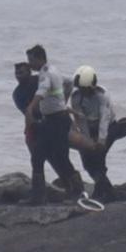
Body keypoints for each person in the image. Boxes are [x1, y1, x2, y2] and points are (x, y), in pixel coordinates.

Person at [23, 45, 84, 204]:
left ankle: (75, 192)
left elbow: (42, 90)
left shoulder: (46, 74)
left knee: (49, 156)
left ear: (40, 59)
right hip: (56, 120)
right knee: (53, 156)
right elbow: (69, 82)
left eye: (31, 60)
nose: (29, 64)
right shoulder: (54, 69)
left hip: (55, 121)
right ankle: (45, 194)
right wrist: (63, 100)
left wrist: (31, 106)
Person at [69, 65, 117, 201]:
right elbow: (81, 121)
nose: (83, 92)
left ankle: (103, 191)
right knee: (87, 161)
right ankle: (104, 188)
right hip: (89, 128)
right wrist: (88, 141)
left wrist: (101, 140)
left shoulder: (102, 96)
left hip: (108, 127)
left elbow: (104, 118)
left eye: (85, 89)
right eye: (80, 89)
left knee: (99, 157)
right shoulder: (76, 97)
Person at [13, 61, 47, 202]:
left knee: (58, 157)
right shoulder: (17, 93)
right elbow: (27, 112)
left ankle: (74, 189)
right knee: (36, 159)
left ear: (29, 72)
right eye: (16, 73)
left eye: (21, 72)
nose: (18, 76)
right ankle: (38, 193)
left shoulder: (39, 81)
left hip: (51, 119)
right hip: (34, 124)